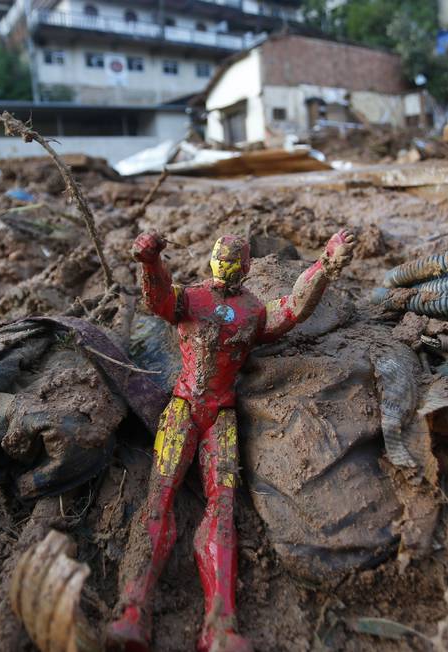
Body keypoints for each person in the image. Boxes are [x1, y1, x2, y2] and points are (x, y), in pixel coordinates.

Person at [107, 230, 356, 652]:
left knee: (221, 510)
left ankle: (220, 625)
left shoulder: (252, 311)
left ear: (247, 265)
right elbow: (159, 301)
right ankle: (133, 609)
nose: (229, 263)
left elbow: (292, 309)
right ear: (213, 259)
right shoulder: (192, 299)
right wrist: (149, 263)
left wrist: (325, 265)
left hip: (220, 415)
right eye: (224, 257)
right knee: (160, 497)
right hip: (183, 408)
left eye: (235, 258)